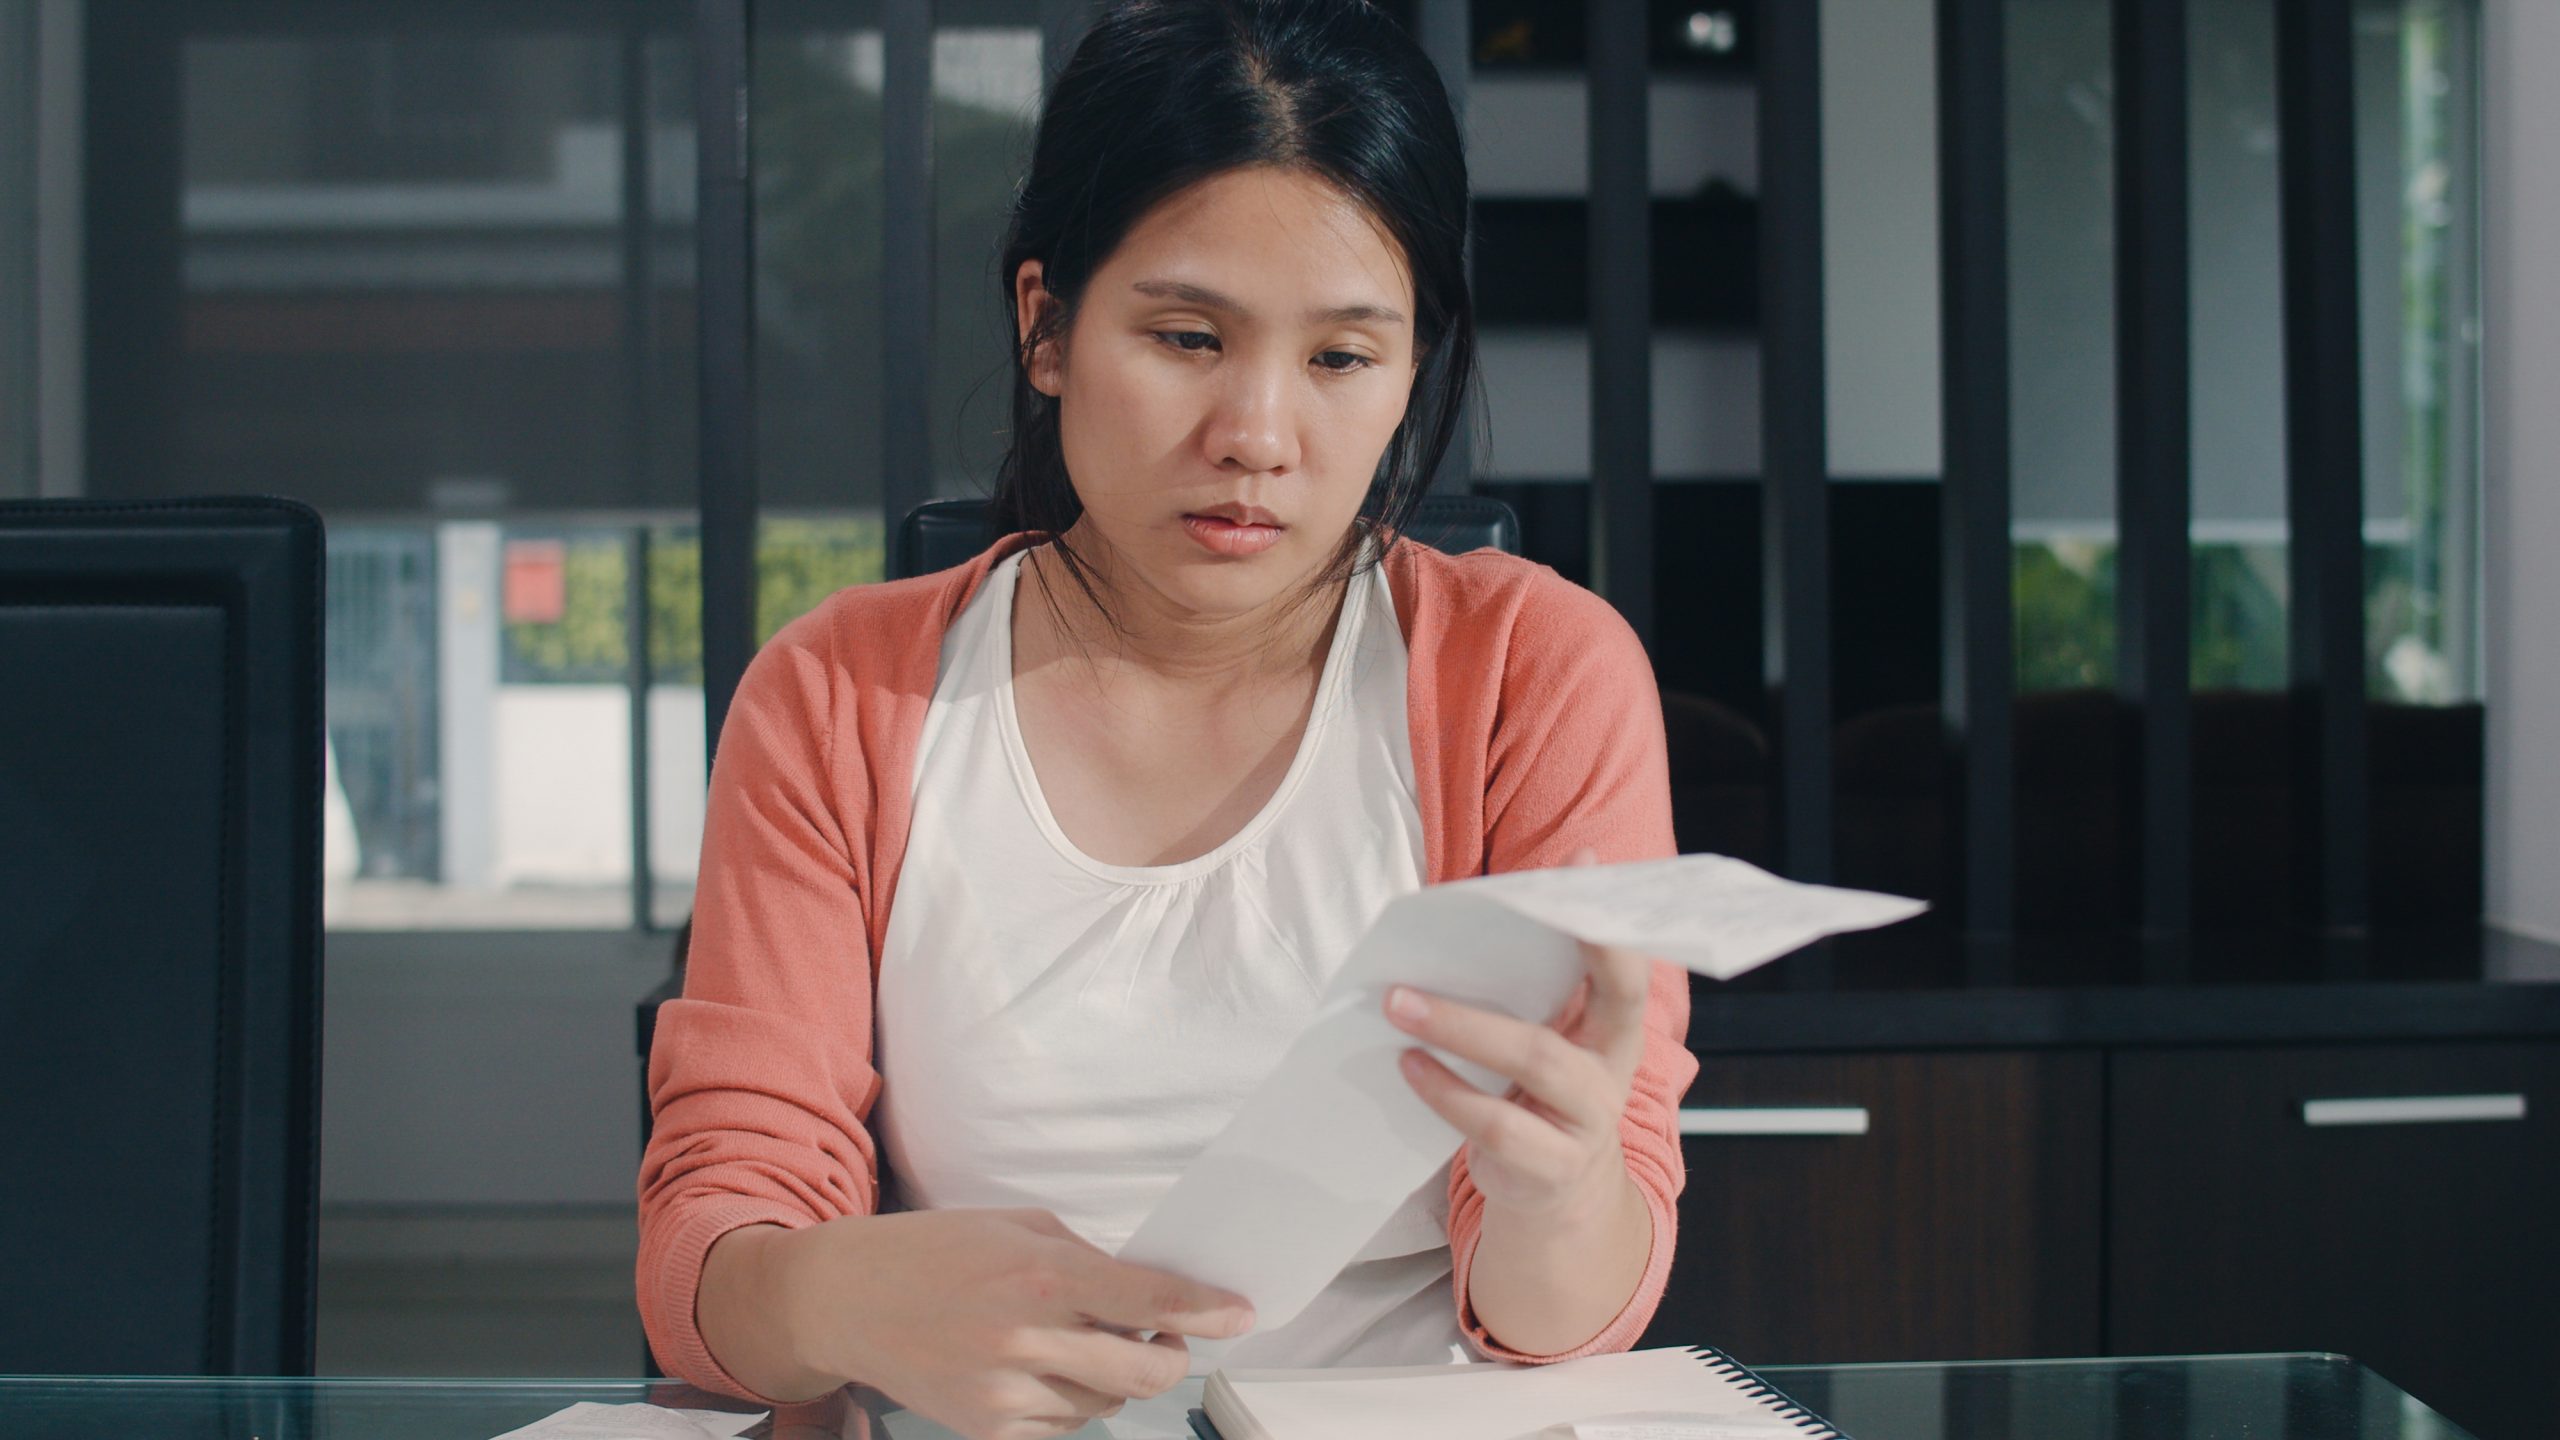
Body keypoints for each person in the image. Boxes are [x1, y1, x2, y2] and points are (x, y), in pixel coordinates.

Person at [637, 2, 1697, 1435]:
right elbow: (716, 1236)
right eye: (1189, 336)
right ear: (1046, 328)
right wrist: (834, 1297)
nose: (1258, 433)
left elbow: (1563, 1320)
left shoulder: (1533, 675)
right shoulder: (839, 693)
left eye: (1341, 359)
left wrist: (1561, 1189)